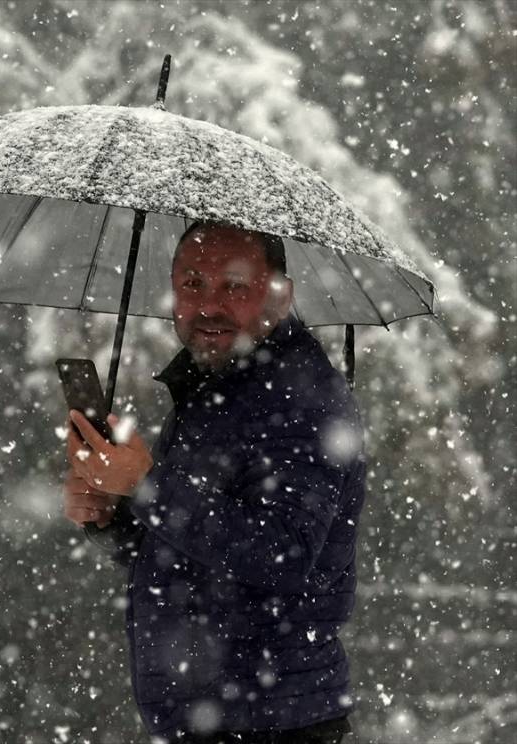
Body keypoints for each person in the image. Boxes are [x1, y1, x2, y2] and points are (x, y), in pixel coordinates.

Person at [63, 222, 364, 744]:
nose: (208, 305)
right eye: (193, 284)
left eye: (235, 286)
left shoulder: (301, 399)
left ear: (281, 295)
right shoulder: (217, 383)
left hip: (272, 724)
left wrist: (148, 484)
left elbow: (284, 553)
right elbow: (181, 551)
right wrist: (113, 513)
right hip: (218, 720)